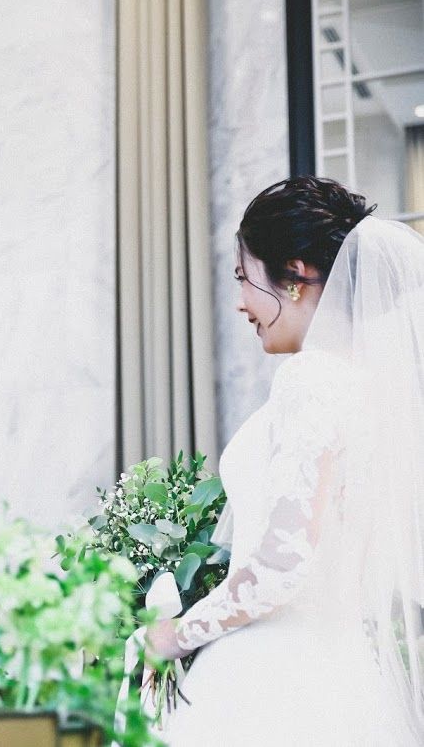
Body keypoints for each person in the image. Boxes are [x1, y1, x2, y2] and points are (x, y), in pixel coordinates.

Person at [146, 176, 424, 744]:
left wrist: (172, 635)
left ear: (294, 277)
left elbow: (281, 566)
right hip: (347, 677)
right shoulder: (373, 392)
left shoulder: (310, 378)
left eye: (243, 277)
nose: (241, 302)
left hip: (271, 681)